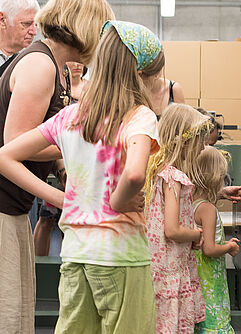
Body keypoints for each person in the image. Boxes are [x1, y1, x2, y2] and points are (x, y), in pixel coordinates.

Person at [0, 19, 164, 333]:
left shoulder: (71, 116)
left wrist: (64, 199)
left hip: (76, 254)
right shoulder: (138, 116)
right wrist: (119, 202)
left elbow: (5, 155)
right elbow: (133, 175)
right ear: (141, 75)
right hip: (121, 256)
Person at [0, 1, 114, 333]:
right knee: (7, 316)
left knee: (20, 312)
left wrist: (65, 171)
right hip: (3, 208)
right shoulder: (40, 65)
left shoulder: (56, 67)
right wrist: (63, 198)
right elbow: (13, 147)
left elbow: (45, 138)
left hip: (14, 208)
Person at [144, 103, 212, 333]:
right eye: (200, 141)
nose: (203, 147)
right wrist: (196, 233)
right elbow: (171, 229)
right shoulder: (174, 177)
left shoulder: (155, 170)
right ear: (185, 142)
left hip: (156, 266)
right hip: (170, 266)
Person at [192, 146, 239, 334]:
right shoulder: (208, 209)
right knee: (215, 322)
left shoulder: (192, 201)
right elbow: (209, 249)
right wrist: (228, 247)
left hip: (198, 277)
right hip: (210, 277)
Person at [0, 0, 38, 68]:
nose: (34, 32)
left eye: (35, 25)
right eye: (26, 24)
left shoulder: (27, 63)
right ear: (2, 20)